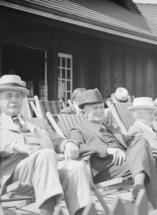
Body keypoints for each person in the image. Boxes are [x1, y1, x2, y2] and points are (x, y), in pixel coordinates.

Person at [0, 75, 92, 215]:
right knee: (45, 153)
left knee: (76, 167)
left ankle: (83, 213)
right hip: (16, 174)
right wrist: (14, 145)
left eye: (18, 96)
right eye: (8, 96)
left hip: (48, 171)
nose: (14, 100)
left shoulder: (38, 123)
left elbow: (57, 141)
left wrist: (67, 144)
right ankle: (46, 211)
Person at [69, 89, 157, 208]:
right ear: (85, 110)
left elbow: (128, 140)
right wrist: (107, 150)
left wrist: (141, 139)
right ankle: (154, 204)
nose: (99, 111)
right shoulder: (78, 129)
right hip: (106, 167)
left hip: (126, 160)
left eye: (101, 107)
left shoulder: (109, 126)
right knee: (148, 162)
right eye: (95, 108)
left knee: (141, 141)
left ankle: (139, 186)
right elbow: (77, 146)